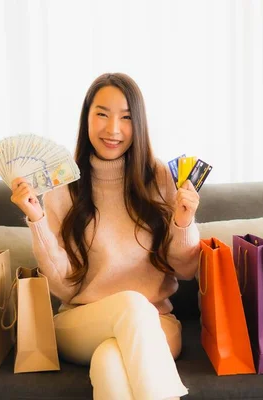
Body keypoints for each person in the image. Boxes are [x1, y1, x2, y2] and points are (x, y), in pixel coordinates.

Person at [10, 73, 200, 400]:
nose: (113, 129)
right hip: (81, 322)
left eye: (126, 117)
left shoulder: (161, 179)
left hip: (156, 325)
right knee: (130, 304)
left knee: (110, 362)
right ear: (86, 118)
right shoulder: (63, 185)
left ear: (138, 124)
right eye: (102, 114)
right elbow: (64, 286)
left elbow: (186, 270)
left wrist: (183, 223)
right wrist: (37, 220)